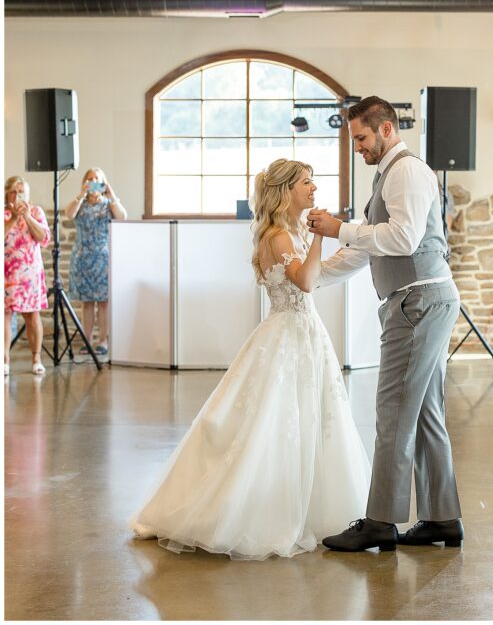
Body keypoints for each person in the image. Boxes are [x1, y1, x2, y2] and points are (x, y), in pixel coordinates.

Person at [130, 159, 371, 559]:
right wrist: (321, 236)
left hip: (305, 334)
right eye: (306, 183)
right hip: (287, 336)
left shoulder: (288, 232)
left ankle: (311, 504)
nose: (314, 189)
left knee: (312, 418)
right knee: (274, 423)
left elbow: (314, 278)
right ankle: (259, 511)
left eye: (313, 182)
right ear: (286, 191)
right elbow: (307, 282)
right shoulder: (278, 236)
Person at [308, 96, 463, 552]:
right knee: (425, 412)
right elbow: (367, 247)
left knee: (392, 410)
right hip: (421, 299)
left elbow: (402, 238)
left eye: (360, 137)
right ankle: (441, 517)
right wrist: (311, 277)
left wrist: (340, 227)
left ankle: (380, 521)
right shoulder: (388, 175)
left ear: (387, 130)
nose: (357, 147)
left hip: (417, 301)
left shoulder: (408, 171)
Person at [65, 167, 127, 360]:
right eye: (89, 179)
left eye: (97, 179)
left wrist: (111, 193)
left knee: (103, 301)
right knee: (87, 303)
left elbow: (122, 216)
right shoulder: (80, 204)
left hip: (102, 257)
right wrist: (81, 194)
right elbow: (69, 214)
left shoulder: (109, 204)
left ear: (103, 183)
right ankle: (87, 340)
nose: (93, 182)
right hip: (82, 257)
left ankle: (103, 341)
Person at [4, 175, 51, 376]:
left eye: (22, 191)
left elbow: (43, 238)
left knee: (32, 316)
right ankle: (4, 361)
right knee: (5, 316)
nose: (18, 195)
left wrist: (27, 217)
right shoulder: (4, 213)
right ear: (7, 193)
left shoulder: (37, 211)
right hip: (6, 272)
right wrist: (14, 217)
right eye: (15, 191)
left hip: (29, 273)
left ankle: (36, 359)